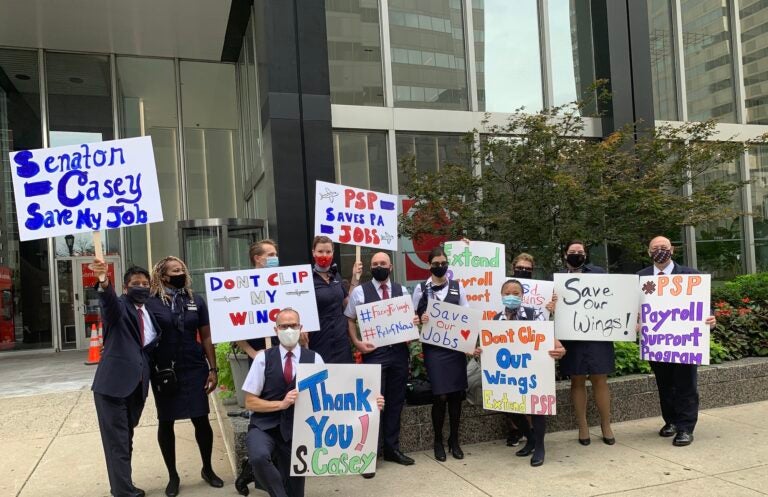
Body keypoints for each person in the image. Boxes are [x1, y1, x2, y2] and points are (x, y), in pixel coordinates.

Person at [243, 308, 385, 496]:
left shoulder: (314, 359)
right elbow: (250, 402)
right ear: (275, 329)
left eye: (293, 325)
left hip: (297, 434)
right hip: (264, 426)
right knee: (259, 457)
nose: (289, 330)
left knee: (295, 491)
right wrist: (281, 404)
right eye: (284, 326)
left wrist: (369, 402)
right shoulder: (263, 359)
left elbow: (334, 399)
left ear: (301, 327)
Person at [146, 256, 222, 497]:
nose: (180, 273)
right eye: (174, 270)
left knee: (201, 419)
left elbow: (207, 336)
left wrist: (213, 368)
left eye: (182, 269)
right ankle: (173, 475)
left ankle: (207, 469)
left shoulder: (195, 300)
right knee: (166, 421)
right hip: (165, 370)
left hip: (194, 366)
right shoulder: (151, 303)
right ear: (162, 275)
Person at [345, 251, 420, 477]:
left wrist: (413, 321)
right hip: (374, 353)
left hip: (398, 353)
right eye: (375, 264)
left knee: (395, 403)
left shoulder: (402, 290)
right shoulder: (359, 292)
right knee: (372, 405)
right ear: (370, 267)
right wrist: (357, 342)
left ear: (391, 267)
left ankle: (392, 449)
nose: (379, 266)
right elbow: (349, 318)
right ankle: (368, 455)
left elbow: (409, 319)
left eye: (383, 263)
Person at [637, 236, 716, 447]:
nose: (660, 251)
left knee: (686, 385)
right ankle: (670, 421)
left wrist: (710, 317)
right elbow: (633, 308)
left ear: (672, 249)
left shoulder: (691, 276)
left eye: (664, 247)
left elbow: (706, 304)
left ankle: (685, 428)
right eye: (655, 248)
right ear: (648, 252)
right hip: (657, 342)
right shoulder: (641, 278)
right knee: (664, 385)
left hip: (685, 343)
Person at [91, 259, 160, 497]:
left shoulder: (149, 311)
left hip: (137, 386)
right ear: (125, 287)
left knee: (125, 438)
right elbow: (107, 302)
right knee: (117, 441)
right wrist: (103, 281)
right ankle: (123, 491)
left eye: (145, 282)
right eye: (135, 283)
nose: (141, 286)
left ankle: (123, 484)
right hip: (113, 386)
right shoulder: (119, 306)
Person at [414, 246, 481, 462]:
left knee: (455, 395)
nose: (440, 266)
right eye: (436, 263)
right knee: (440, 395)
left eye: (443, 263)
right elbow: (411, 318)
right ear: (429, 265)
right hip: (434, 350)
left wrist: (472, 345)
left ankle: (454, 439)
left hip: (455, 348)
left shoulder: (457, 288)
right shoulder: (420, 289)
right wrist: (420, 318)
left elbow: (466, 318)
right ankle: (437, 440)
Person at [549, 240, 615, 446]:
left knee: (599, 378)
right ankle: (583, 426)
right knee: (577, 380)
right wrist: (551, 305)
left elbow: (614, 298)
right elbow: (547, 309)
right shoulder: (556, 279)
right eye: (572, 251)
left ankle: (606, 424)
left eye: (580, 251)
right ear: (565, 255)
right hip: (571, 336)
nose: (576, 254)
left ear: (585, 255)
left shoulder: (599, 274)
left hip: (597, 333)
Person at [493, 278, 565, 466]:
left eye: (515, 293)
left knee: (536, 408)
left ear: (522, 296)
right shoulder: (495, 319)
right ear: (501, 296)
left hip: (533, 369)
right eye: (507, 293)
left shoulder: (534, 315)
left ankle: (539, 447)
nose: (511, 297)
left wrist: (560, 348)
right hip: (510, 372)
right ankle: (530, 438)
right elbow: (491, 345)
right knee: (511, 408)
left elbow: (550, 338)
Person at [309, 236, 361, 363]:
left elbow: (347, 303)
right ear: (313, 252)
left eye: (328, 251)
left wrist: (355, 277)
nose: (324, 255)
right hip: (319, 340)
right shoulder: (307, 278)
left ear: (333, 253)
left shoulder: (335, 275)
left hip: (341, 339)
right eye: (320, 251)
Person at [237, 239, 280, 360]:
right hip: (258, 354)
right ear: (257, 258)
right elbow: (233, 327)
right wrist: (253, 353)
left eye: (276, 254)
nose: (275, 258)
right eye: (271, 255)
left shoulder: (281, 283)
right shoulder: (243, 287)